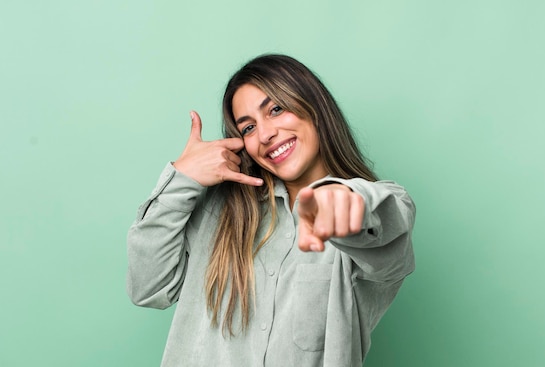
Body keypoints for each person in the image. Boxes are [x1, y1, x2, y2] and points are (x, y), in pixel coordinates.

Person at [127, 54, 415, 367]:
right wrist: (183, 179)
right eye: (248, 128)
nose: (265, 135)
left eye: (276, 109)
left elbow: (384, 224)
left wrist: (342, 198)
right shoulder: (220, 211)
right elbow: (148, 288)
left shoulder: (377, 208)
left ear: (314, 107)